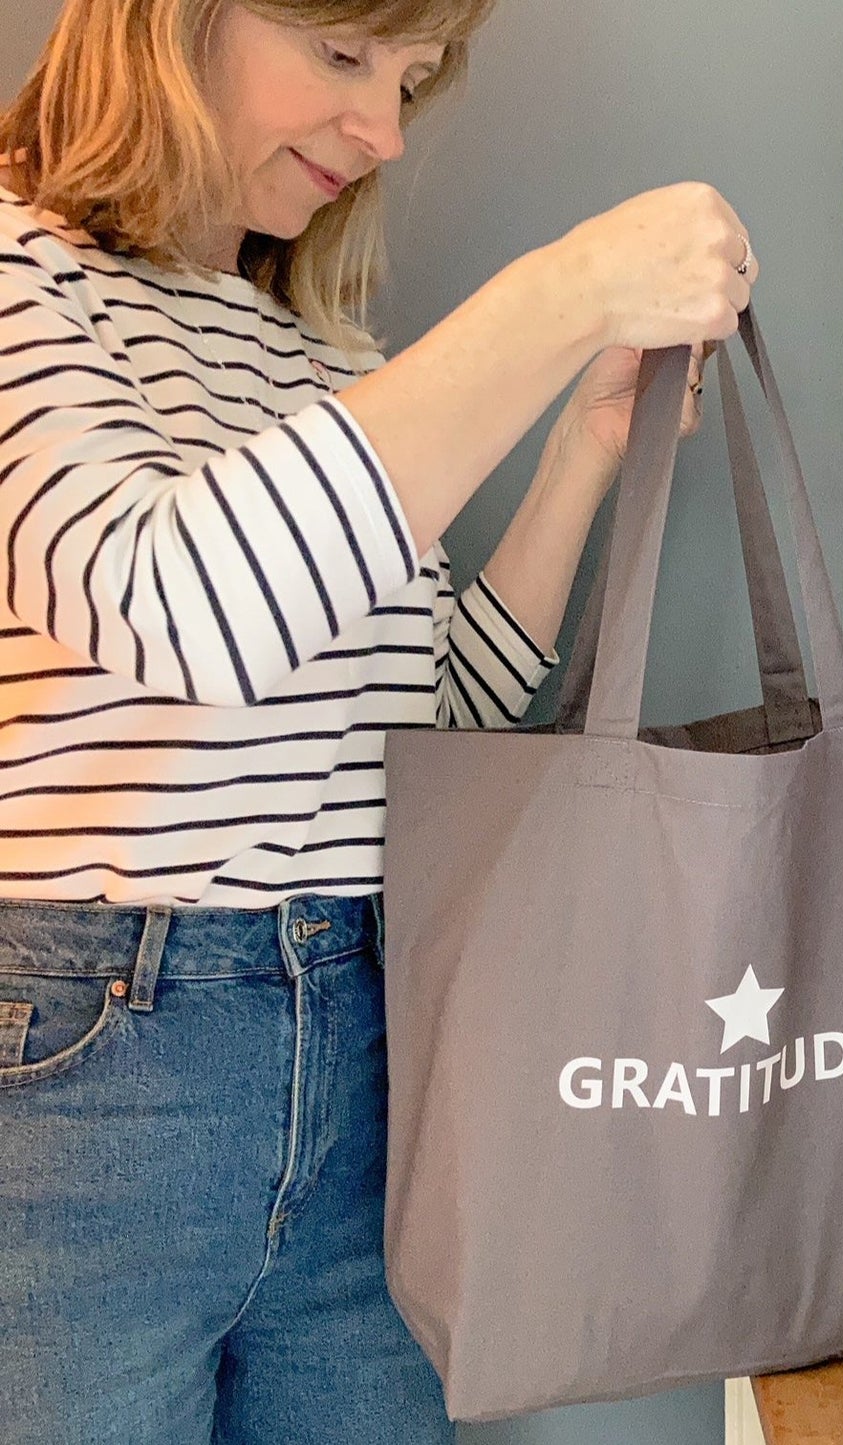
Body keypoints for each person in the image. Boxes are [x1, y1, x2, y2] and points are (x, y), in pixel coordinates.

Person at [0, 1, 757, 1440]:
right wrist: (560, 292)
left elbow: (424, 726)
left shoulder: (320, 356)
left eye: (412, 80)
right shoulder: (24, 283)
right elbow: (185, 611)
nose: (385, 132)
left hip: (369, 1042)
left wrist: (584, 445)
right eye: (345, 55)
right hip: (92, 1081)